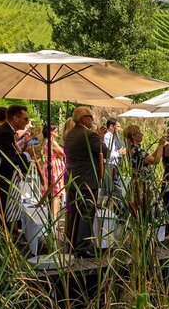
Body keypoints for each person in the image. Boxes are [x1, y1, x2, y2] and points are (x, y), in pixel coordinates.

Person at [63, 106, 110, 257]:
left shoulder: (70, 134)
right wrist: (100, 138)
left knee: (75, 212)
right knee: (87, 212)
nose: (93, 119)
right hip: (87, 180)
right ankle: (83, 247)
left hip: (73, 178)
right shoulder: (90, 135)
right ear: (84, 118)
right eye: (90, 116)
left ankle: (71, 243)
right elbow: (105, 152)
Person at [0, 105, 34, 228]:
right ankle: (6, 239)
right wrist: (26, 155)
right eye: (26, 119)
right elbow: (6, 160)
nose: (27, 122)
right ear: (15, 118)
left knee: (2, 213)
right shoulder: (4, 133)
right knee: (2, 213)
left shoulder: (5, 131)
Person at [35, 123, 67, 219]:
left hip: (49, 165)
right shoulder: (52, 142)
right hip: (54, 167)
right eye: (55, 131)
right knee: (55, 194)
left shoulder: (45, 141)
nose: (57, 132)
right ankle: (54, 218)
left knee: (52, 192)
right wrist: (60, 154)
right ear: (51, 132)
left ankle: (52, 216)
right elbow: (63, 153)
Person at [102, 118, 126, 194]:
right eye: (118, 126)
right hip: (110, 164)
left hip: (115, 164)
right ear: (111, 126)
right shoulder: (107, 137)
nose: (119, 129)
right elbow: (108, 153)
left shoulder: (116, 136)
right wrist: (119, 153)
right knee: (110, 187)